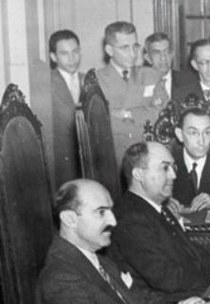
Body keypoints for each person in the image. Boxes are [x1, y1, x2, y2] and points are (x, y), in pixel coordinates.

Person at [36, 179, 203, 304]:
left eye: (111, 211)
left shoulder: (102, 262)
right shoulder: (60, 277)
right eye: (101, 212)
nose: (113, 221)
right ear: (69, 219)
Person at [107, 142, 210, 302]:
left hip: (190, 293)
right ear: (138, 174)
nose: (173, 175)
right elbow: (167, 278)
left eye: (173, 168)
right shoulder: (130, 218)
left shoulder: (157, 206)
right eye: (165, 168)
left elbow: (191, 251)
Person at [95, 21, 167, 163]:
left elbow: (163, 112)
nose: (133, 54)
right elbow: (97, 121)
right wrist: (144, 111)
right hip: (112, 156)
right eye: (124, 48)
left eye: (135, 46)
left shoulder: (151, 75)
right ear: (109, 50)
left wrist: (128, 114)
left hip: (147, 153)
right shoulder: (96, 80)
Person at [49, 29, 83, 188]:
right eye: (64, 53)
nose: (71, 58)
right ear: (53, 57)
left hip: (90, 161)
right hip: (62, 164)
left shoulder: (91, 80)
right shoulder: (45, 84)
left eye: (75, 51)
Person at [144, 32, 193, 100]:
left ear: (172, 54)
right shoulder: (140, 85)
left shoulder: (188, 81)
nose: (163, 57)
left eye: (167, 52)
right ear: (148, 58)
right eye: (157, 53)